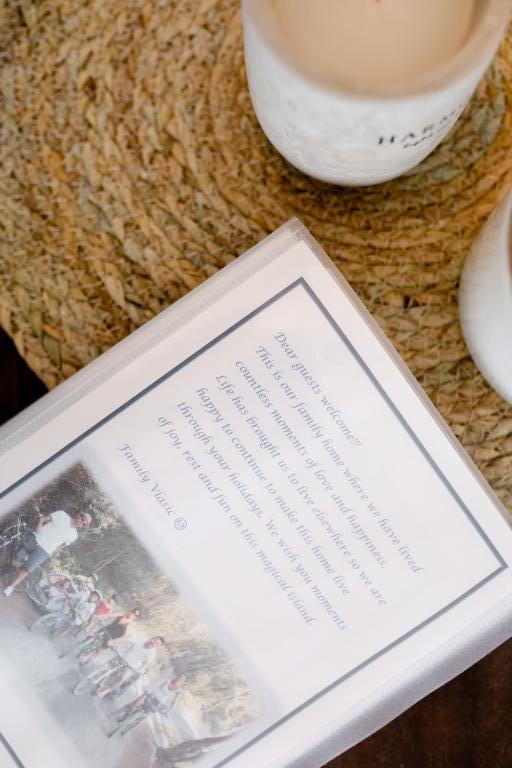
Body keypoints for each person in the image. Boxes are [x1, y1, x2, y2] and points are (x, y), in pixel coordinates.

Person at [2, 511, 91, 596]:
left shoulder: (74, 535)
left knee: (27, 568)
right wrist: (38, 528)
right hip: (35, 539)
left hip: (45, 551)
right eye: (82, 519)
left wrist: (53, 550)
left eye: (84, 524)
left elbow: (63, 545)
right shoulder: (62, 515)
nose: (81, 523)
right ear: (79, 516)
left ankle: (10, 587)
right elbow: (43, 519)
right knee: (15, 555)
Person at [109, 674, 186, 737]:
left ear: (182, 682)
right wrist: (147, 689)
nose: (178, 679)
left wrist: (168, 711)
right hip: (150, 695)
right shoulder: (168, 680)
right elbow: (156, 682)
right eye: (178, 677)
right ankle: (114, 713)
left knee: (142, 718)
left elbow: (174, 702)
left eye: (181, 680)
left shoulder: (178, 691)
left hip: (157, 703)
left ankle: (126, 731)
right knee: (133, 704)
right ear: (176, 676)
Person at [97, 636, 165, 698]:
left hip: (132, 666)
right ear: (152, 638)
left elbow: (146, 663)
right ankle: (98, 676)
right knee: (108, 666)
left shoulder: (153, 653)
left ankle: (107, 691)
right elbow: (126, 639)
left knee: (122, 678)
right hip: (123, 657)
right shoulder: (140, 638)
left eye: (156, 644)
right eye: (154, 640)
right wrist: (113, 642)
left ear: (157, 646)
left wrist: (138, 670)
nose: (154, 643)